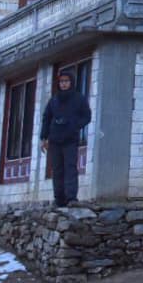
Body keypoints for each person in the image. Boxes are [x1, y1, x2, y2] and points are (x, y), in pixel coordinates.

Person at [40, 70, 92, 207]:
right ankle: (59, 199)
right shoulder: (54, 100)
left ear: (71, 82)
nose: (64, 84)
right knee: (57, 170)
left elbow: (87, 116)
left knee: (70, 168)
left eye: (66, 81)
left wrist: (74, 125)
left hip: (70, 140)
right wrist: (43, 138)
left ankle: (71, 198)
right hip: (55, 140)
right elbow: (46, 118)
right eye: (61, 81)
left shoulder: (79, 99)